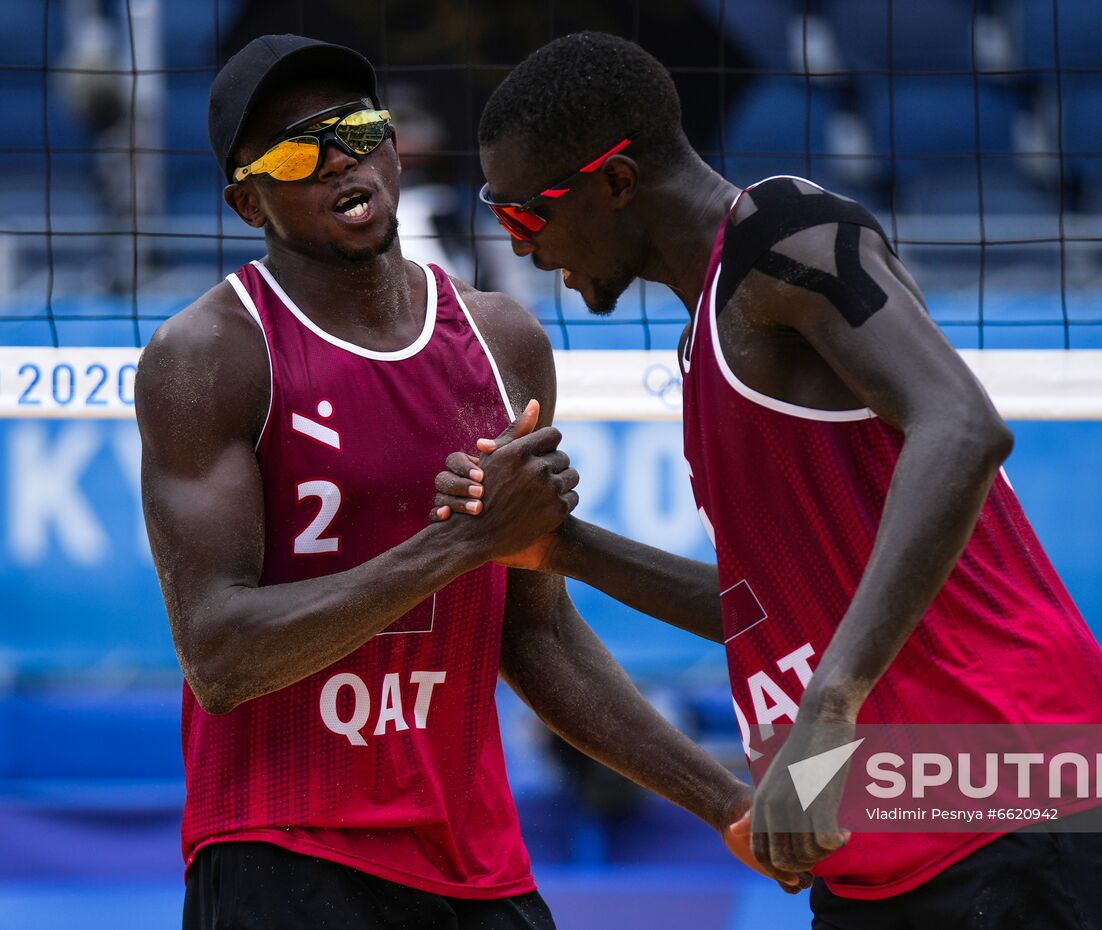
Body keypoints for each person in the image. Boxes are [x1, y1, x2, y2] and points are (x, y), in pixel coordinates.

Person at [451, 30, 1102, 930]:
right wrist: (562, 547)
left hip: (1015, 794)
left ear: (616, 183)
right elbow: (772, 614)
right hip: (882, 839)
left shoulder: (782, 233)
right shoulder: (707, 340)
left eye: (525, 216)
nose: (521, 250)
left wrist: (829, 705)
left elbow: (964, 426)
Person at [136, 34, 798, 930]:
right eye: (299, 151)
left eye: (359, 129)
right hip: (282, 848)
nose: (340, 159)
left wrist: (725, 801)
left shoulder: (503, 342)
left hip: (474, 859)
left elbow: (539, 637)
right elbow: (220, 657)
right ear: (248, 202)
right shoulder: (209, 355)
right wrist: (457, 545)